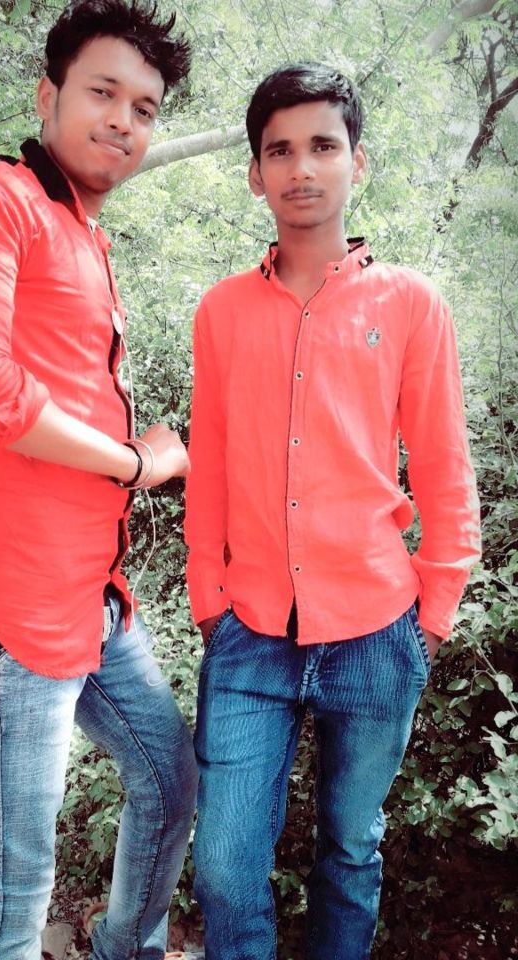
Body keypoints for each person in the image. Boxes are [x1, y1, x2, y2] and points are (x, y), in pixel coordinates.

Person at [0, 3, 199, 959]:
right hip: (14, 609)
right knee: (10, 888)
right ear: (47, 95)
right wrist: (138, 463)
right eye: (103, 92)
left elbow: (35, 400)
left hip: (92, 597)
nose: (123, 120)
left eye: (144, 108)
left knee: (170, 780)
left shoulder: (84, 232)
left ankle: (124, 947)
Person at [183, 63, 481, 959]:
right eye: (280, 151)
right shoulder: (223, 312)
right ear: (255, 172)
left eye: (323, 145)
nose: (302, 167)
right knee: (224, 865)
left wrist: (433, 612)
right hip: (250, 633)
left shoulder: (412, 304)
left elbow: (444, 467)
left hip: (378, 631)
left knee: (350, 851)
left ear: (357, 161)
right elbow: (210, 465)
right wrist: (209, 598)